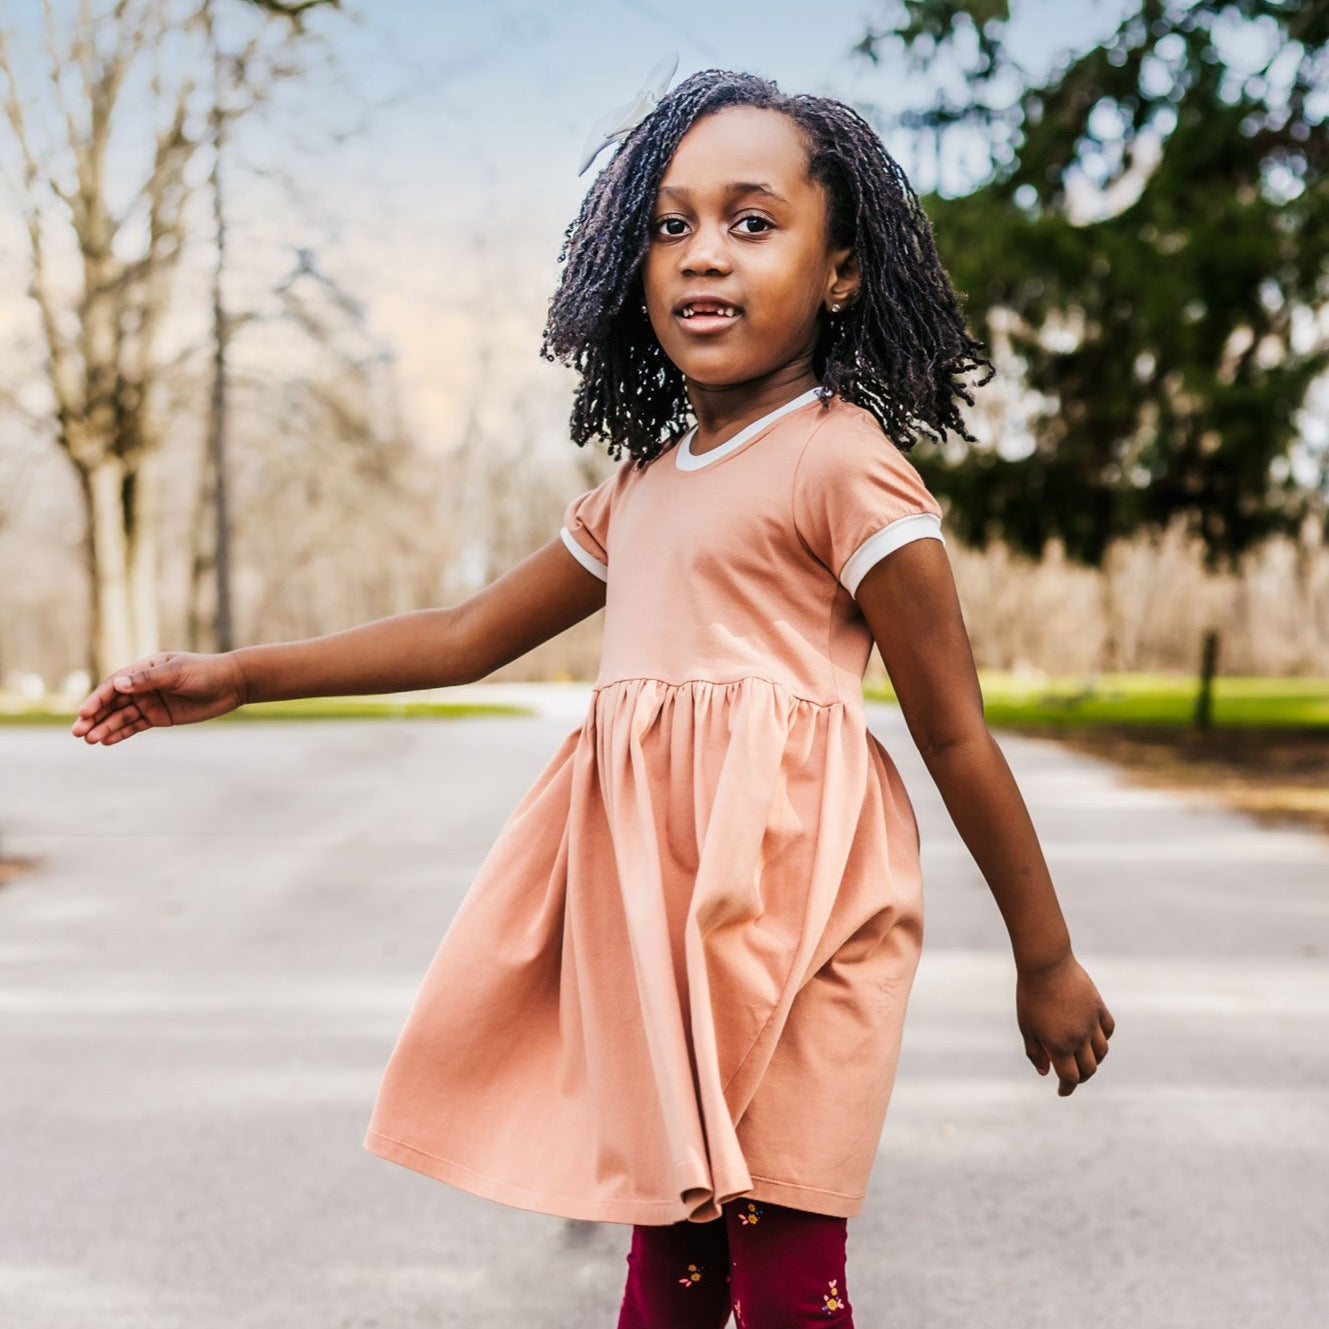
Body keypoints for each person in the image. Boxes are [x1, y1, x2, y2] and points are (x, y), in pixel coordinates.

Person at [71, 67, 1114, 1329]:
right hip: (660, 925)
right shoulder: (641, 489)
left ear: (840, 271)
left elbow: (954, 729)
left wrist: (1044, 954)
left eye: (751, 220)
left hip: (808, 916)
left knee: (786, 1271)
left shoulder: (844, 465)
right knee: (666, 1281)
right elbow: (462, 637)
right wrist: (237, 676)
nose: (700, 257)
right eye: (670, 226)